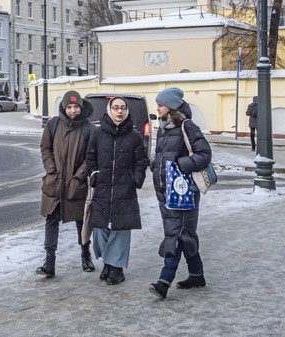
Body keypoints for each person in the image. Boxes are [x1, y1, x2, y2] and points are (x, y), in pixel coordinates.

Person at [148, 87, 212, 300]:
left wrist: (182, 164)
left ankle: (163, 283)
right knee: (184, 234)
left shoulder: (187, 126)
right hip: (166, 192)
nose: (157, 107)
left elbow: (204, 154)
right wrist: (155, 164)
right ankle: (197, 274)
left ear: (172, 106)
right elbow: (164, 156)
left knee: (174, 235)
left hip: (184, 192)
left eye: (161, 104)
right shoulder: (163, 128)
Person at [84, 96, 149, 285]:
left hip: (125, 188)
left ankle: (117, 269)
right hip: (102, 187)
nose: (119, 111)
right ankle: (108, 262)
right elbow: (90, 157)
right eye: (115, 108)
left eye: (122, 108)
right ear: (109, 110)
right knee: (100, 228)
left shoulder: (134, 135)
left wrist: (136, 179)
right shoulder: (97, 133)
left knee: (121, 229)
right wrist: (94, 174)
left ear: (127, 110)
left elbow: (141, 160)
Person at [37, 90, 95, 278]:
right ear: (63, 107)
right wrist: (51, 169)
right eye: (69, 107)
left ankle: (86, 254)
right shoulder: (53, 124)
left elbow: (91, 156)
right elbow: (45, 147)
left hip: (76, 184)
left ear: (81, 107)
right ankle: (49, 262)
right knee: (51, 220)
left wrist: (80, 175)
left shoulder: (88, 128)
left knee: (82, 222)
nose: (72, 111)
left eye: (76, 107)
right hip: (54, 183)